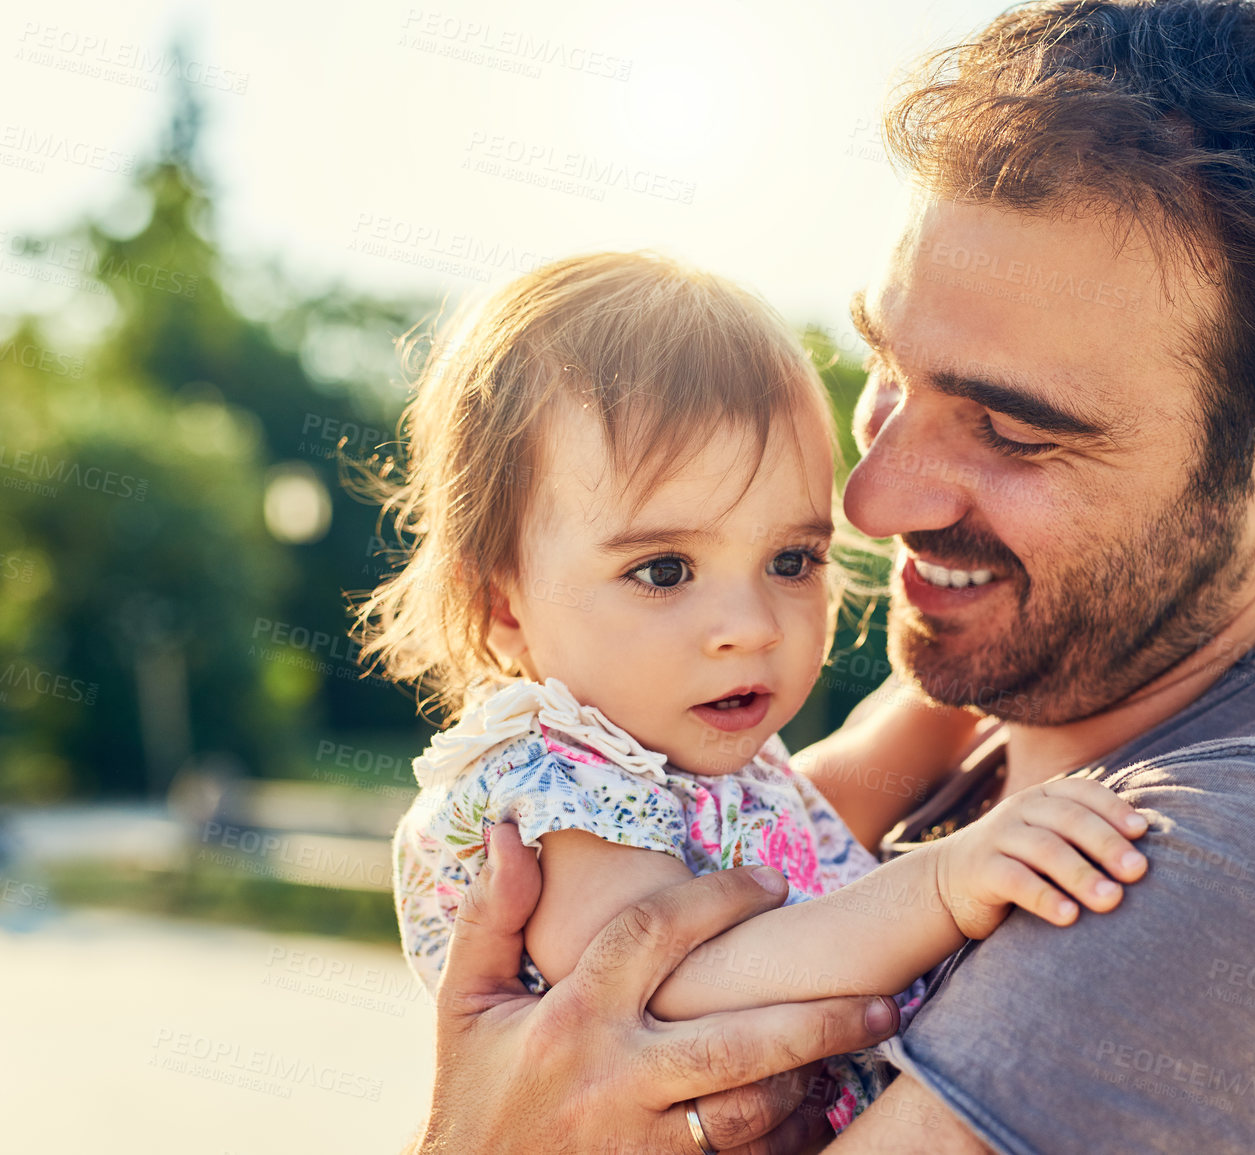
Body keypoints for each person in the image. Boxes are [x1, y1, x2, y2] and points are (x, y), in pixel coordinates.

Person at [416, 1, 1255, 1151]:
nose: (869, 501)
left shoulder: (1247, 853)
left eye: (1012, 429)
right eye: (889, 369)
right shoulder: (1018, 719)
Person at [363, 251, 1152, 1137]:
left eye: (791, 560)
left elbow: (833, 794)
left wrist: (986, 663)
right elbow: (676, 977)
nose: (751, 623)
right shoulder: (554, 787)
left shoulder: (680, 746)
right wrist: (944, 882)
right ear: (501, 606)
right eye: (663, 570)